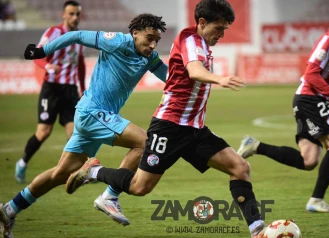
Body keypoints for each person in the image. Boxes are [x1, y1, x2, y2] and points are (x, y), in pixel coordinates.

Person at [65, 1, 268, 237]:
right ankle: (94, 172)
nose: (222, 34)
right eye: (219, 28)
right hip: (169, 127)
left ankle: (258, 231)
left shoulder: (203, 44)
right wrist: (219, 79)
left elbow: (180, 75)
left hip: (194, 129)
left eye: (225, 30)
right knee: (140, 187)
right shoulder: (190, 39)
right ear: (202, 23)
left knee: (240, 167)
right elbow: (194, 71)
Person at [0, 13, 168, 238]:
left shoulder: (150, 58)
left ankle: (9, 209)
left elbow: (170, 77)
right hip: (92, 113)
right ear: (135, 33)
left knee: (60, 174)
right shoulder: (117, 41)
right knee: (145, 142)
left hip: (95, 118)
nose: (152, 44)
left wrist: (195, 76)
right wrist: (43, 52)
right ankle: (110, 196)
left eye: (156, 40)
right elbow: (77, 35)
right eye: (149, 38)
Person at [237, 0, 329, 213]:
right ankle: (316, 200)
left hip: (320, 101)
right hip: (309, 98)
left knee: (309, 160)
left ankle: (255, 146)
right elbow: (311, 74)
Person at [15, 0, 86, 184]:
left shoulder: (81, 37)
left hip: (70, 91)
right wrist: (47, 65)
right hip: (52, 89)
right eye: (71, 14)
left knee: (74, 133)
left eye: (77, 14)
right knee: (44, 132)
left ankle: (73, 173)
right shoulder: (53, 32)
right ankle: (23, 162)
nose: (75, 17)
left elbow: (80, 64)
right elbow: (37, 54)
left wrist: (82, 88)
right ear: (63, 15)